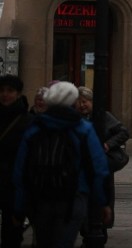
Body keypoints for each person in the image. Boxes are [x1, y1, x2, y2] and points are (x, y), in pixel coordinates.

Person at [14, 82, 110, 248]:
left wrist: (19, 207)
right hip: (73, 196)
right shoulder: (83, 129)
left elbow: (20, 171)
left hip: (40, 196)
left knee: (44, 242)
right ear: (73, 101)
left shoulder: (35, 128)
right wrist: (102, 202)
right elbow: (98, 168)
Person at [76, 86, 129, 239]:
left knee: (101, 197)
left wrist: (107, 144)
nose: (81, 105)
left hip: (101, 166)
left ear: (92, 102)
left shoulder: (102, 116)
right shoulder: (74, 118)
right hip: (82, 167)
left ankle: (100, 230)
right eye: (78, 102)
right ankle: (87, 231)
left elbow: (123, 132)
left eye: (84, 101)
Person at [0, 74, 31, 248]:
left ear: (18, 94)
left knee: (11, 232)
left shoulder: (26, 121)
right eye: (2, 91)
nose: (5, 95)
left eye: (10, 91)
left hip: (13, 182)